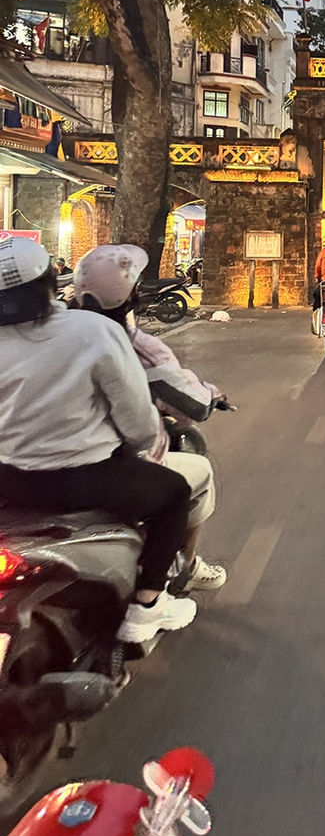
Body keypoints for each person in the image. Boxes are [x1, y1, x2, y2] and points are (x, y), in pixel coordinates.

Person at [0, 237, 196, 644]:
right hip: (86, 477)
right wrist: (143, 443)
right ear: (53, 281)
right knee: (175, 493)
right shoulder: (93, 331)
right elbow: (138, 420)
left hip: (10, 480)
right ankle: (147, 604)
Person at [72, 244, 227, 593]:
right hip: (91, 468)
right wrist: (210, 396)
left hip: (19, 467)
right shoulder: (132, 347)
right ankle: (166, 583)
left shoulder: (44, 334)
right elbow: (145, 426)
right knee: (187, 481)